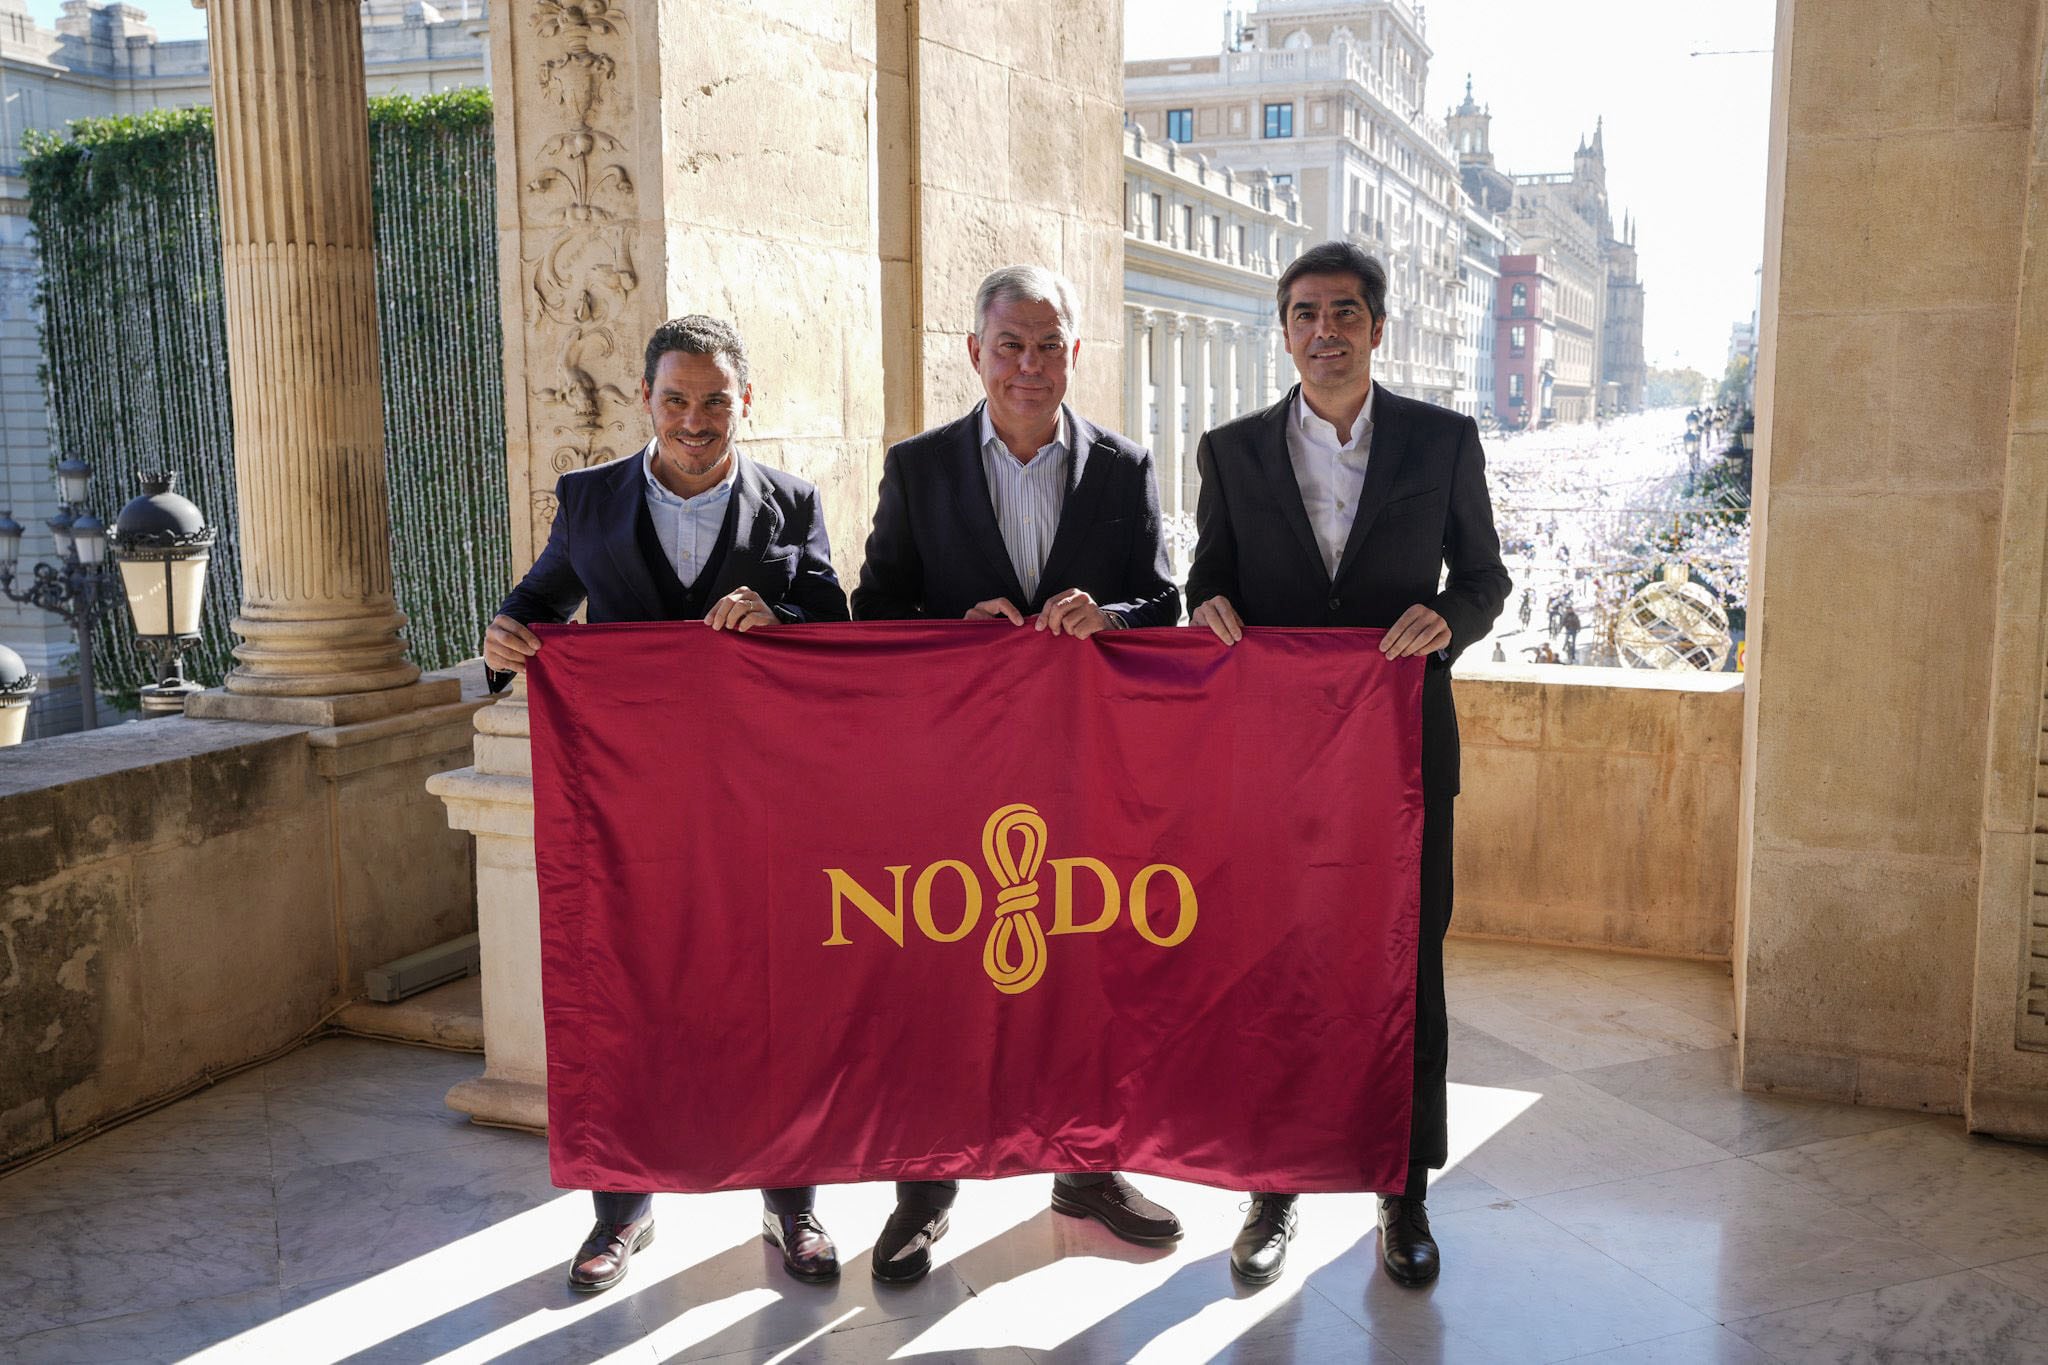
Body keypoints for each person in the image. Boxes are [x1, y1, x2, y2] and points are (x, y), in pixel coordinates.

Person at [482, 315, 850, 1295]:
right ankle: (619, 1212)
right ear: (645, 400)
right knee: (623, 995)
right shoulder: (591, 500)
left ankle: (794, 1206)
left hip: (762, 808)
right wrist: (506, 639)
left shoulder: (792, 504)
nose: (695, 420)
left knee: (777, 998)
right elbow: (537, 604)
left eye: (714, 401)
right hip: (630, 813)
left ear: (745, 403)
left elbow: (839, 627)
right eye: (677, 400)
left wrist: (784, 619)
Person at [1184, 240, 1510, 1289]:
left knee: (1402, 971)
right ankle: (1268, 1189)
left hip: (1403, 758)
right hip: (1272, 766)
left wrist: (1446, 621)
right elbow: (1207, 578)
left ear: (1377, 327)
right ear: (1281, 331)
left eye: (1343, 313)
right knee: (1271, 970)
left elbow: (1486, 578)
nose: (1322, 332)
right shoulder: (1228, 452)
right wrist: (1205, 607)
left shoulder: (1441, 442)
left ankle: (1400, 1190)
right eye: (1302, 315)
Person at [853, 263, 1184, 1282]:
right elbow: (873, 612)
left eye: (1048, 346)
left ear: (1073, 355)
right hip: (951, 779)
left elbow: (1163, 603)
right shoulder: (918, 467)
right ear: (975, 353)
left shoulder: (1123, 467)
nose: (1029, 366)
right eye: (1010, 345)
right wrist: (951, 632)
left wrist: (1108, 617)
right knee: (941, 977)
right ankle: (923, 1189)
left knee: (1085, 973)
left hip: (1080, 778)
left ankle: (1085, 1170)